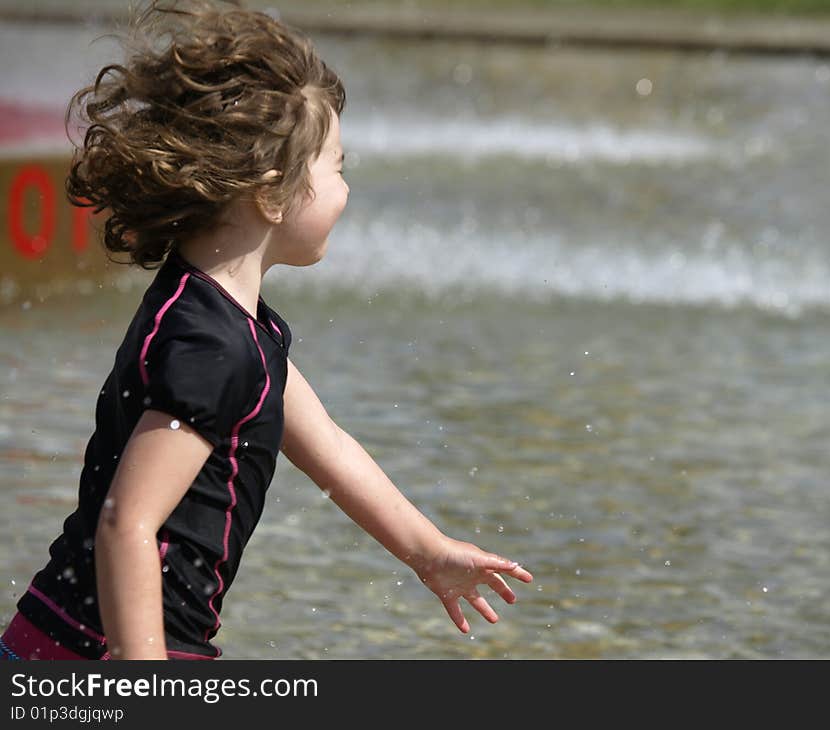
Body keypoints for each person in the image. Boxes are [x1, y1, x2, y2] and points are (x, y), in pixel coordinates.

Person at [0, 0, 532, 661]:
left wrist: (428, 553)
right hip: (100, 654)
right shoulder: (211, 347)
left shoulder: (233, 325)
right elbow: (126, 523)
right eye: (336, 165)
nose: (344, 188)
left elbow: (327, 444)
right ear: (273, 195)